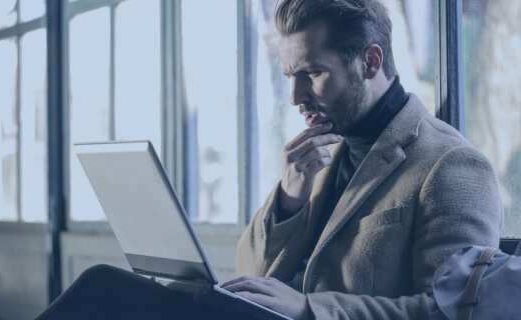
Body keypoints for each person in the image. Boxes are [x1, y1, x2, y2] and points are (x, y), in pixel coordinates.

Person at [35, 0, 503, 319]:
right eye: (289, 76)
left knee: (105, 291)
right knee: (109, 288)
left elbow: (449, 311)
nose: (297, 96)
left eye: (313, 73)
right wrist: (289, 199)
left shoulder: (451, 165)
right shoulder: (323, 150)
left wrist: (309, 309)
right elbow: (251, 273)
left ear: (372, 61)